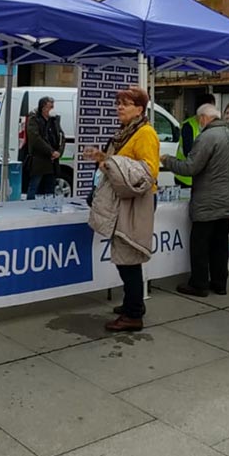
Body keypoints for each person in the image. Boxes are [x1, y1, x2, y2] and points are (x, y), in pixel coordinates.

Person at [86, 86, 159, 333]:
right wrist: (103, 159)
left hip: (135, 203)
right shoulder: (126, 132)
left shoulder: (145, 134)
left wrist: (108, 162)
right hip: (122, 201)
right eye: (118, 103)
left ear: (139, 109)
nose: (119, 107)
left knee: (128, 258)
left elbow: (148, 173)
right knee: (123, 257)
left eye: (125, 104)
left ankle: (133, 314)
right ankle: (133, 303)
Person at [161, 103, 229, 297]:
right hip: (227, 198)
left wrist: (167, 160)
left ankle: (199, 283)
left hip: (207, 200)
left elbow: (190, 168)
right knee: (220, 245)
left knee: (200, 244)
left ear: (203, 118)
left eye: (199, 119)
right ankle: (220, 283)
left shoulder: (206, 137)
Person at [25, 96, 63, 200]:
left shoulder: (54, 120)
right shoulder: (34, 120)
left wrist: (59, 152)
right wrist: (50, 152)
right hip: (39, 160)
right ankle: (29, 207)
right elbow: (36, 139)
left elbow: (61, 136)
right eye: (50, 106)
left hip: (52, 162)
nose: (52, 109)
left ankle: (49, 206)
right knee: (34, 186)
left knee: (50, 187)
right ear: (43, 108)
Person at [174, 93, 214, 188]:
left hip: (202, 178)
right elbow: (189, 152)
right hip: (186, 178)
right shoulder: (188, 126)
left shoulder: (211, 126)